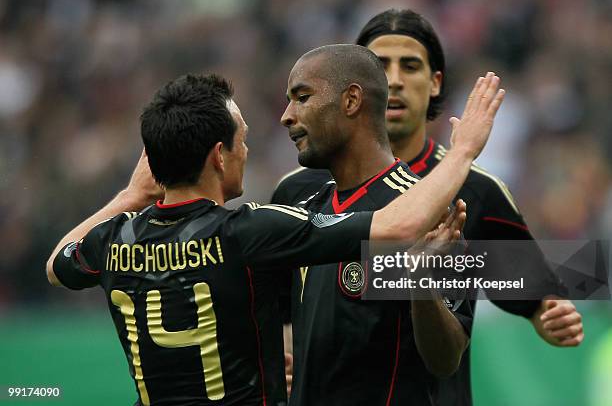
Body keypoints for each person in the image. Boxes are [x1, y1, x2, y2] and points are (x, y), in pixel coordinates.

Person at [46, 68, 501, 406]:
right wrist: (462, 152)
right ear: (219, 157)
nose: (250, 147)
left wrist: (129, 195)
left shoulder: (113, 240)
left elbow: (55, 266)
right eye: (241, 140)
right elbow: (399, 226)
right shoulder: (248, 230)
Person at [272, 9, 584, 406]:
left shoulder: (474, 191)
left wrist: (546, 311)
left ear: (435, 82)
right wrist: (285, 349)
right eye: (380, 65)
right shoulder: (299, 190)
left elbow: (532, 286)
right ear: (353, 89)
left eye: (411, 65)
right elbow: (282, 303)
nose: (396, 80)